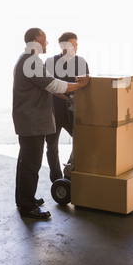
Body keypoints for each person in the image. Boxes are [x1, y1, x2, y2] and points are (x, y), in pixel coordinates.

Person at [12, 28, 89, 220]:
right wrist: (79, 85)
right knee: (31, 163)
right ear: (36, 40)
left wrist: (68, 94)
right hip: (32, 121)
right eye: (45, 40)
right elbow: (52, 84)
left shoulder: (29, 59)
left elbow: (50, 87)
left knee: (25, 162)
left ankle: (24, 199)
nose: (47, 43)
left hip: (30, 120)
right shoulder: (31, 61)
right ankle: (27, 206)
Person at [45, 32, 89, 182]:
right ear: (62, 46)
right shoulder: (50, 62)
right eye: (72, 45)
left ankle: (69, 171)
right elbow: (50, 87)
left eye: (76, 45)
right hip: (53, 112)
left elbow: (86, 86)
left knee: (81, 141)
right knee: (51, 147)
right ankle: (56, 180)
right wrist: (69, 95)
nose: (75, 48)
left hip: (74, 112)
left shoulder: (81, 62)